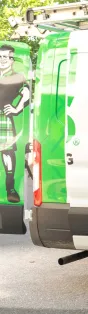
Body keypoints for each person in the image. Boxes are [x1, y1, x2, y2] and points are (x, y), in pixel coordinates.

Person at [0, 44, 30, 203]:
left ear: (12, 60)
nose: (3, 60)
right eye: (1, 56)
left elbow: (27, 93)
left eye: (7, 57)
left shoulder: (17, 76)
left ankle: (10, 188)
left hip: (3, 117)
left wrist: (16, 109)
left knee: (7, 154)